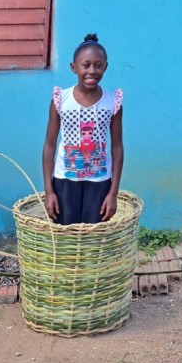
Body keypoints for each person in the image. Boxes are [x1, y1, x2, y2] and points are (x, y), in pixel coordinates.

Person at [42, 34, 124, 225]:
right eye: (85, 65)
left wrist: (113, 193)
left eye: (98, 65)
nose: (92, 71)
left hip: (100, 182)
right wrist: (49, 191)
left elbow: (117, 148)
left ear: (106, 67)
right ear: (73, 67)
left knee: (94, 237)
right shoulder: (60, 99)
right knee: (66, 236)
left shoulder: (113, 102)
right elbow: (49, 145)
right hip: (64, 180)